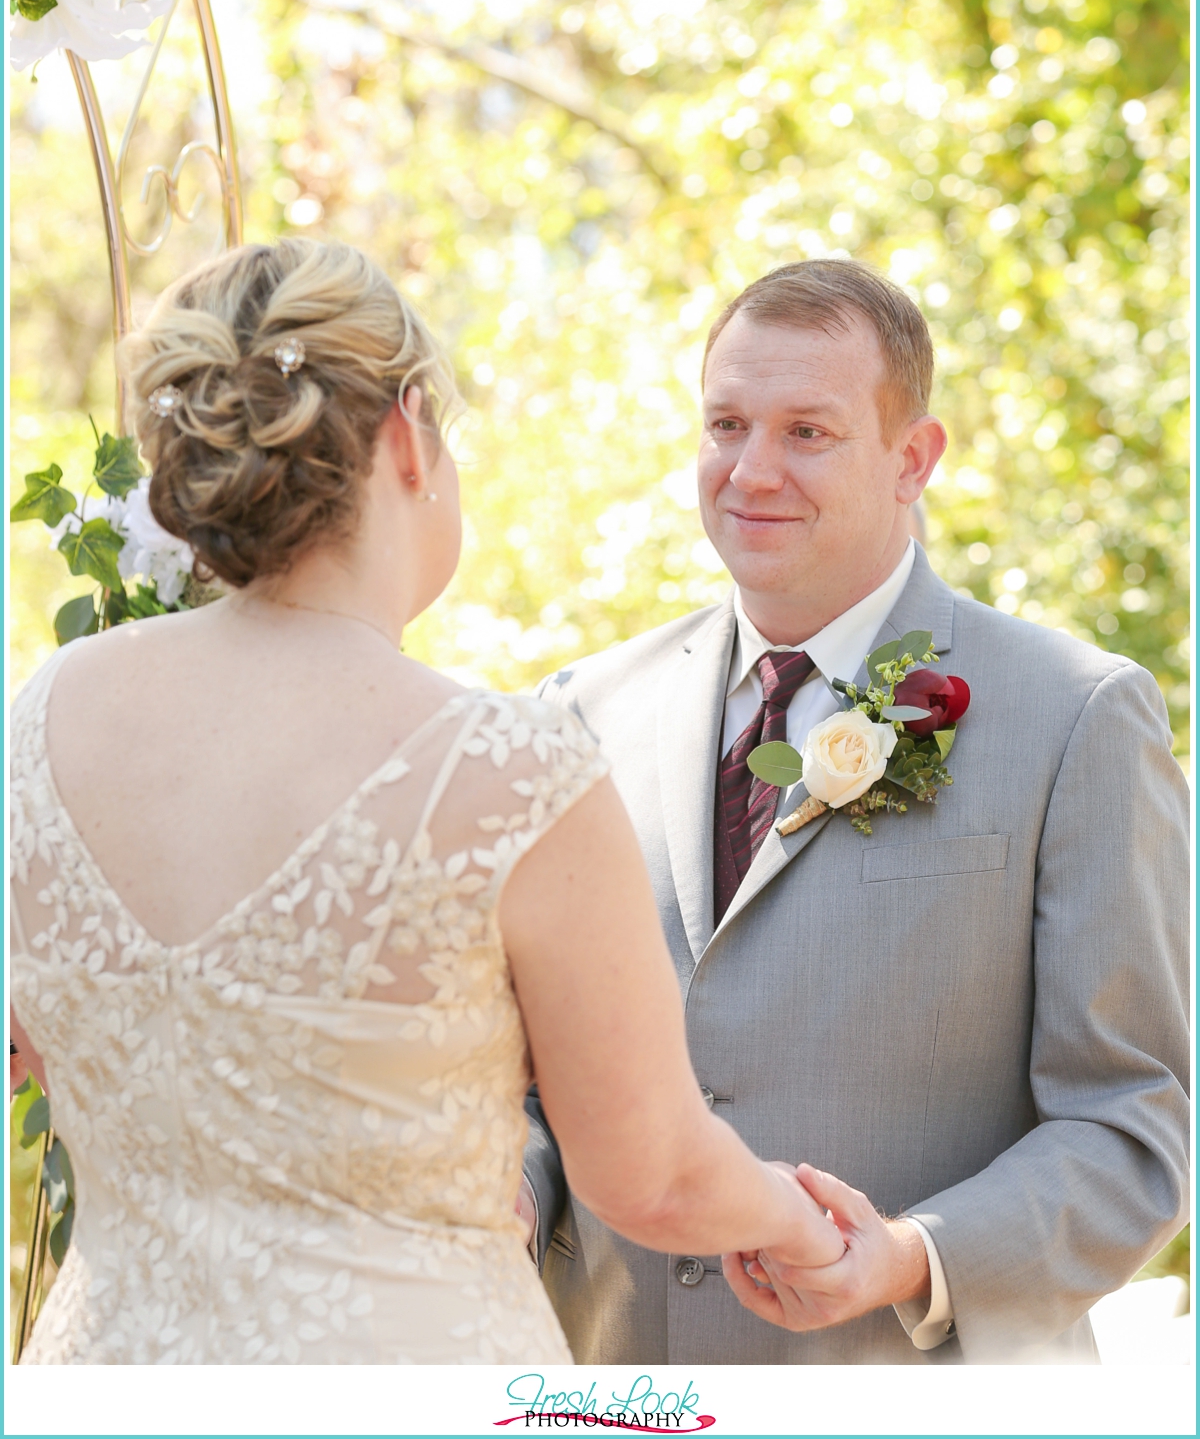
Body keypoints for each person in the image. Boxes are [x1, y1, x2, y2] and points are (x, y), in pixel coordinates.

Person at [9, 240, 845, 1366]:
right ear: (408, 433)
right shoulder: (508, 770)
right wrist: (802, 1221)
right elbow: (651, 1175)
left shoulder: (43, 712)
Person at [523, 257, 1189, 1366]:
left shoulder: (1076, 718)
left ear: (912, 459)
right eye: (726, 424)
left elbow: (1132, 1132)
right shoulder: (574, 715)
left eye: (807, 432)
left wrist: (914, 1255)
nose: (751, 471)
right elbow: (532, 1081)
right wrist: (508, 1186)